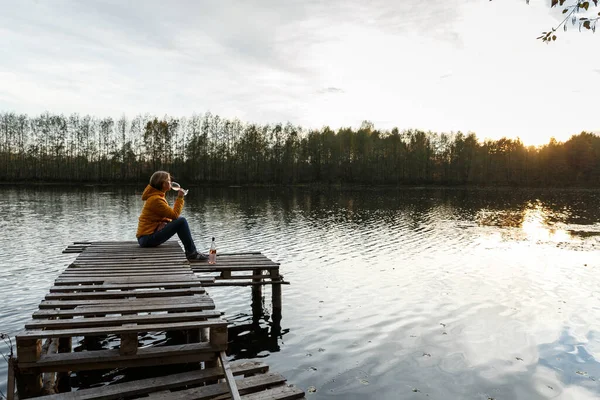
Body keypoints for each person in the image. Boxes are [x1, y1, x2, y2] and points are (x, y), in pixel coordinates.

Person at [136, 171, 208, 260]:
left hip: (146, 237)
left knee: (180, 221)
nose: (171, 182)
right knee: (181, 221)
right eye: (169, 180)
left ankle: (191, 251)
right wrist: (180, 198)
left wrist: (163, 223)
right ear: (163, 184)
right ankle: (191, 252)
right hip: (147, 239)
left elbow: (161, 216)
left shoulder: (157, 197)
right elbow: (175, 215)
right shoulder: (156, 200)